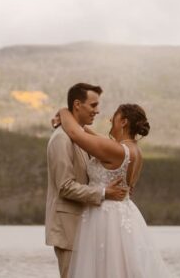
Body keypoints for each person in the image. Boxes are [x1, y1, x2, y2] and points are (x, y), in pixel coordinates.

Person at [57, 101, 172, 278]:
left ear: (124, 122)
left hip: (105, 216)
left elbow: (74, 133)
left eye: (115, 116)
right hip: (125, 214)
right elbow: (97, 139)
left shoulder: (116, 150)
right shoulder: (135, 151)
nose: (111, 119)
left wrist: (64, 111)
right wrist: (80, 124)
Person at [45, 83, 129, 278]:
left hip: (87, 228)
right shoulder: (61, 139)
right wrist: (104, 192)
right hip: (69, 230)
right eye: (93, 105)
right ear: (77, 105)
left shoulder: (80, 137)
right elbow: (65, 187)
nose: (97, 111)